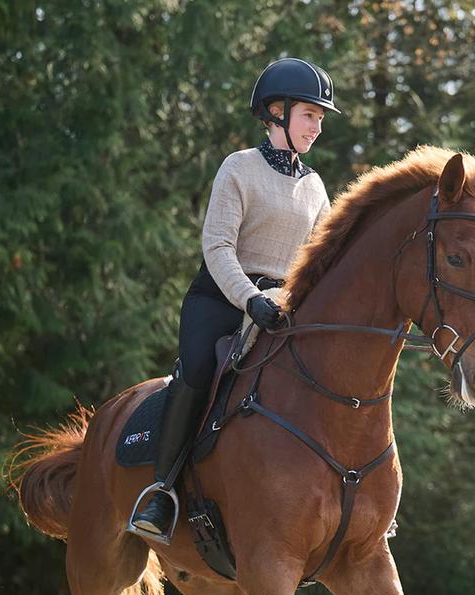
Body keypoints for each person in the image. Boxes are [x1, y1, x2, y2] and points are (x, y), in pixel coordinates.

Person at [129, 57, 340, 542]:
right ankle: (161, 492)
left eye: (321, 119)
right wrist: (251, 300)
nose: (317, 127)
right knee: (200, 369)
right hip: (223, 298)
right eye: (310, 115)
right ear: (276, 112)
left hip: (282, 308)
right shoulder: (238, 168)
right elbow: (218, 246)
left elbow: (322, 260)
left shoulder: (315, 187)